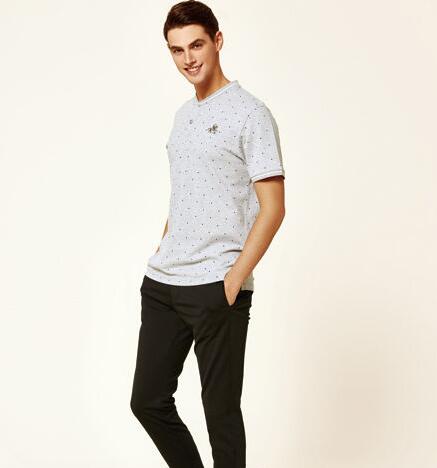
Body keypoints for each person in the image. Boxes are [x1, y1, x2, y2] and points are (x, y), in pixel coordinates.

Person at [130, 1, 286, 467]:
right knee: (147, 401)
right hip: (164, 283)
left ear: (217, 41)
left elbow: (273, 208)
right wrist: (164, 245)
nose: (188, 59)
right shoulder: (183, 115)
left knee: (221, 417)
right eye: (176, 50)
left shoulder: (250, 113)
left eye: (196, 45)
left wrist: (235, 278)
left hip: (216, 285)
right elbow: (186, 192)